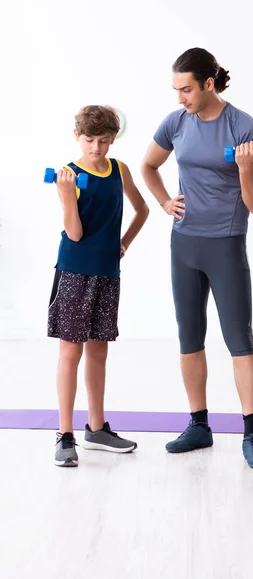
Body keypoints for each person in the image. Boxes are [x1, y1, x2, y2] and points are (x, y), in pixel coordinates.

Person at [141, 48, 253, 469]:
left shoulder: (242, 125)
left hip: (225, 243)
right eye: (176, 89)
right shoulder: (176, 122)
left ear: (209, 84)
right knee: (189, 336)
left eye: (186, 89)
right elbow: (148, 166)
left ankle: (251, 435)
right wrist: (164, 202)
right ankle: (198, 425)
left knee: (239, 339)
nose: (180, 97)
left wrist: (247, 170)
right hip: (184, 244)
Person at [49, 105, 149, 467]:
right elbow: (74, 234)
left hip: (107, 272)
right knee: (71, 352)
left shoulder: (118, 169)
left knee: (99, 351)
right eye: (90, 140)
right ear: (78, 136)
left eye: (104, 141)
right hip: (75, 272)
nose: (96, 148)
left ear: (113, 139)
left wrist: (124, 243)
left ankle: (95, 428)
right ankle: (65, 434)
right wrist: (65, 196)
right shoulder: (69, 175)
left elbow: (142, 210)